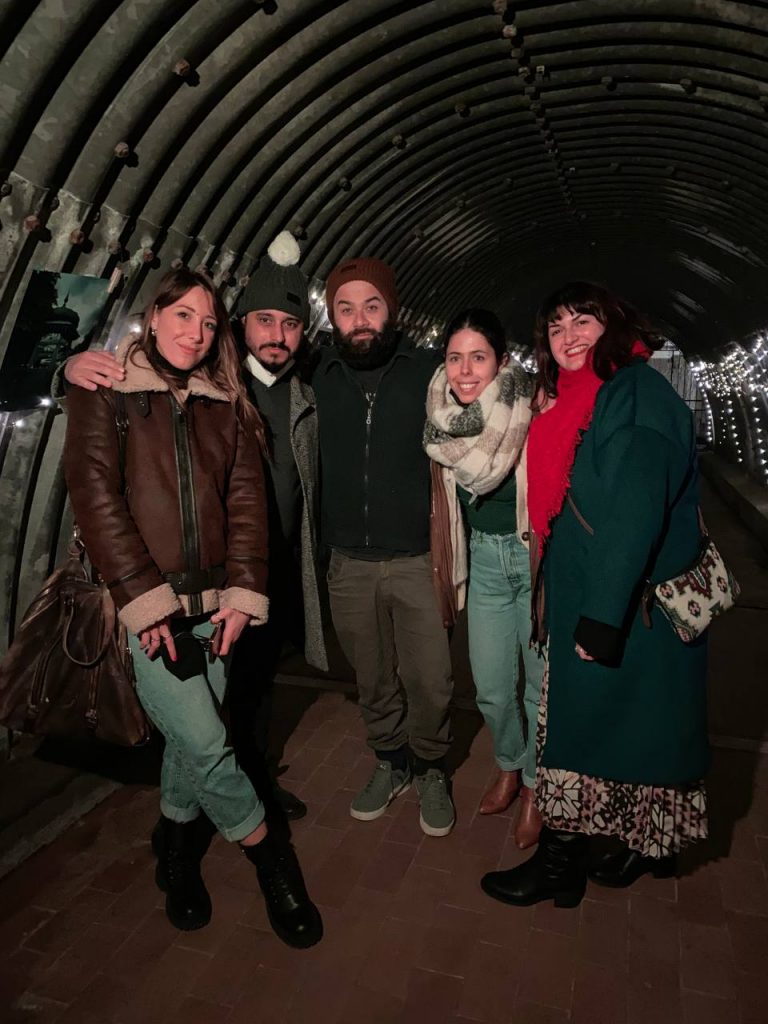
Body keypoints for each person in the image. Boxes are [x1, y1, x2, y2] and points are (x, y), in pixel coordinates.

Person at [62, 267, 322, 948]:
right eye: (183, 316)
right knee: (209, 744)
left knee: (191, 742)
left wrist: (243, 595)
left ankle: (176, 851)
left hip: (215, 609)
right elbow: (95, 498)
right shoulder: (107, 389)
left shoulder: (223, 401)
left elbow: (246, 504)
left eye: (208, 323)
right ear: (154, 316)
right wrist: (145, 603)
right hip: (150, 610)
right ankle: (273, 863)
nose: (196, 333)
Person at [481, 282, 709, 910]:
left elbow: (635, 508)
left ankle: (561, 869)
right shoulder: (585, 396)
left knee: (579, 734)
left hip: (625, 609)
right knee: (639, 732)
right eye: (556, 328)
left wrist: (601, 618)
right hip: (611, 601)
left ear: (614, 325)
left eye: (583, 320)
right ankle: (649, 848)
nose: (569, 336)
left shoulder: (634, 393)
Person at [313, 258, 456, 837]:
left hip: (418, 558)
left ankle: (431, 767)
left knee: (432, 679)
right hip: (348, 561)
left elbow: (489, 386)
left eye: (371, 306)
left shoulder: (427, 372)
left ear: (391, 310)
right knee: (371, 679)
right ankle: (390, 760)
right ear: (332, 317)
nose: (359, 320)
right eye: (345, 308)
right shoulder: (317, 373)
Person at [423, 309, 545, 847]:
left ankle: (535, 785)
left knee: (539, 689)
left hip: (532, 560)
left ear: (502, 361)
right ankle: (509, 763)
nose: (466, 371)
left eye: (479, 357)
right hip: (484, 563)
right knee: (493, 689)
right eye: (455, 358)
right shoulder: (439, 416)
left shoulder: (533, 406)